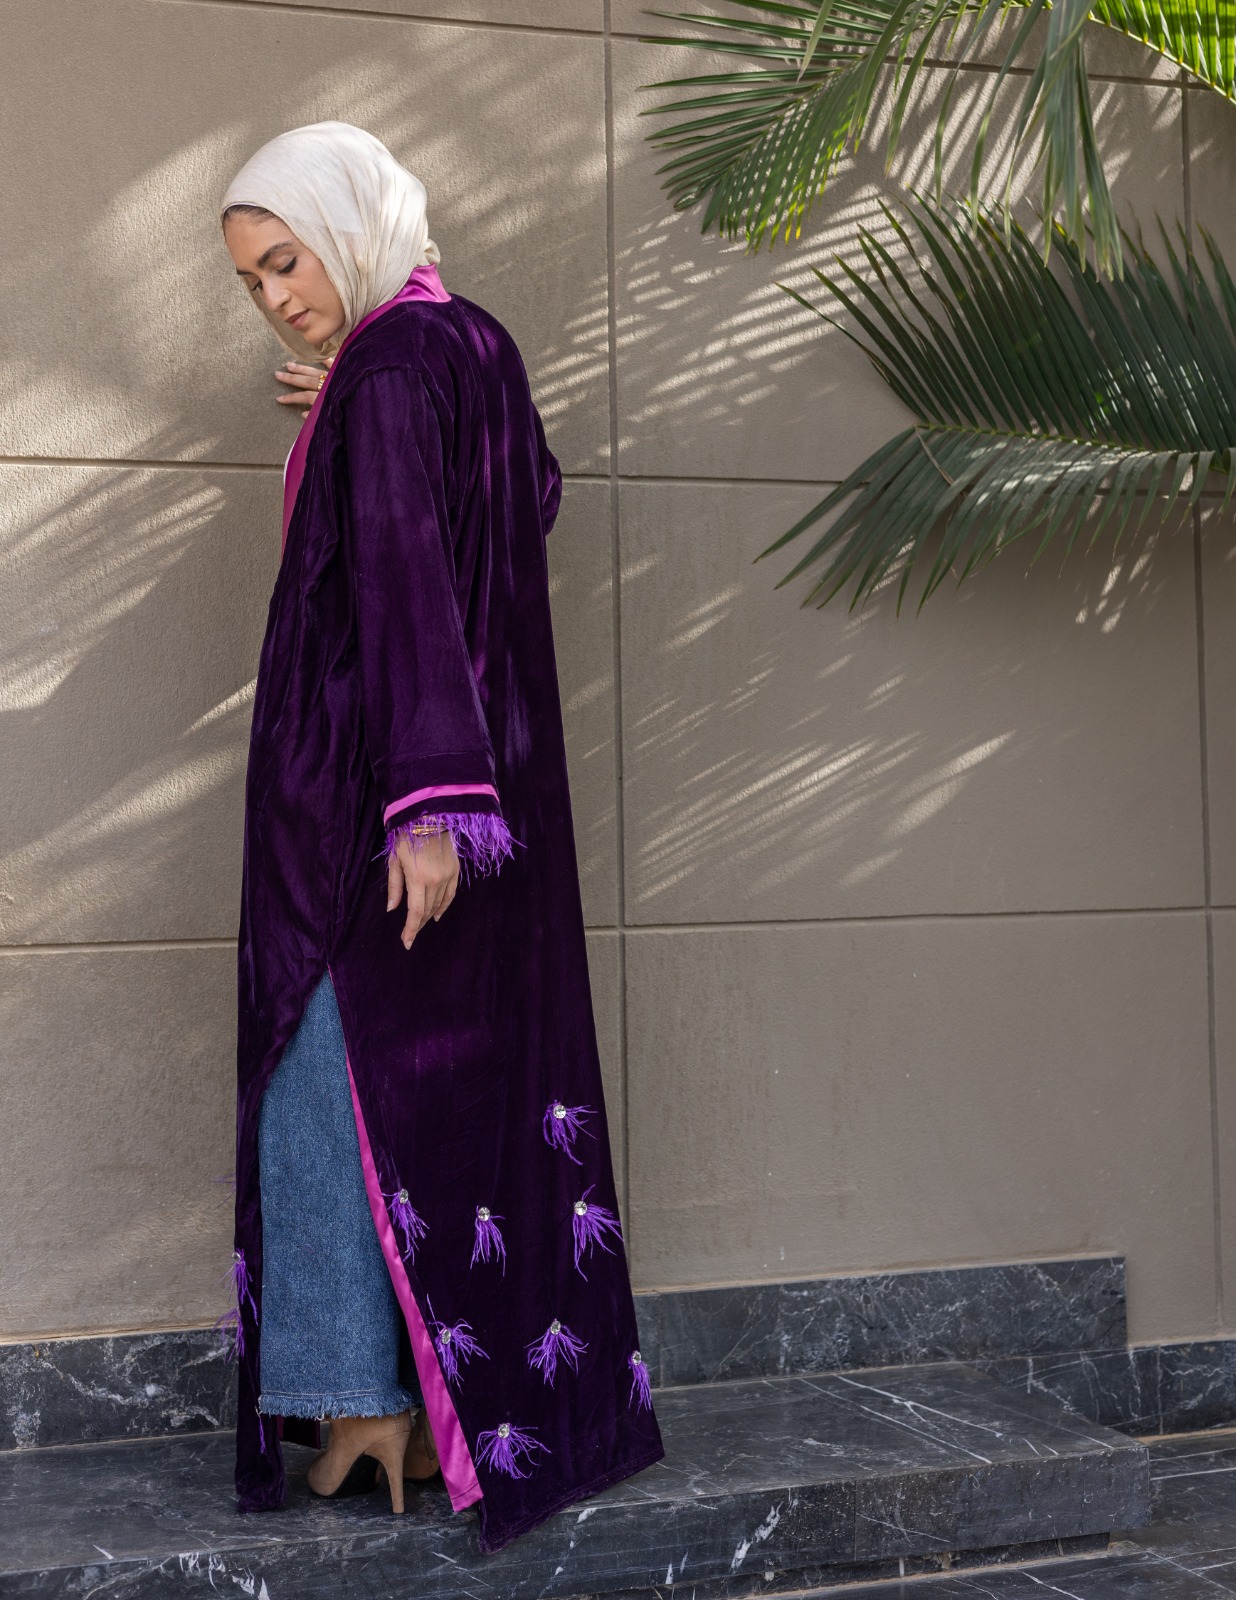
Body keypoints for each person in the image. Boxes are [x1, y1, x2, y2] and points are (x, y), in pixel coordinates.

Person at [218, 121, 663, 1554]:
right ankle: (428, 1409)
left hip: (367, 809)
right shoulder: (463, 343)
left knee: (326, 1075)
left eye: (287, 259)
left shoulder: (394, 370)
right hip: (480, 794)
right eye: (255, 280)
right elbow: (525, 495)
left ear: (346, 222)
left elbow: (409, 585)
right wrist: (355, 413)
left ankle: (363, 1411)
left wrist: (422, 811)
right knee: (441, 1099)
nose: (278, 296)